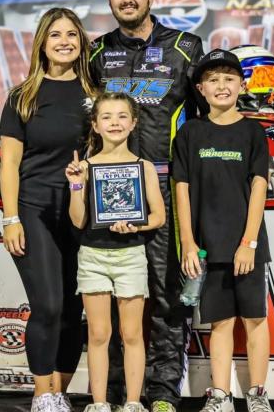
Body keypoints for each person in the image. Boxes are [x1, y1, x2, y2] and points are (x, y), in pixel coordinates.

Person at [90, 0, 208, 412]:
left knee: (165, 294)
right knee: (117, 296)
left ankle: (160, 394)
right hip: (111, 191)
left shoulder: (185, 48)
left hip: (166, 190)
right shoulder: (96, 53)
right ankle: (119, 394)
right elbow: (85, 124)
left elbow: (204, 124)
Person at [0, 7, 95, 412]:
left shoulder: (95, 94)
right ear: (42, 42)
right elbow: (9, 165)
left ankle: (59, 391)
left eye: (71, 34)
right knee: (49, 305)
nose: (64, 41)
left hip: (81, 212)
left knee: (75, 309)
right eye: (55, 35)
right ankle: (42, 395)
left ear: (81, 41)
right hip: (33, 210)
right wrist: (10, 218)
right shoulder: (23, 96)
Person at [172, 49, 273, 412]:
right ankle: (220, 395)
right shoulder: (189, 133)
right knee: (220, 323)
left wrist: (248, 242)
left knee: (255, 320)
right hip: (207, 248)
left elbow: (259, 186)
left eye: (229, 78)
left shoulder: (252, 131)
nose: (221, 85)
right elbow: (180, 188)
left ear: (242, 85)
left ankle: (258, 395)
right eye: (213, 79)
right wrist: (187, 242)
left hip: (246, 246)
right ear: (200, 88)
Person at [65, 92, 166, 412]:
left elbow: (158, 216)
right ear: (95, 125)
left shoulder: (143, 167)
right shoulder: (85, 167)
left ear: (134, 123)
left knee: (132, 332)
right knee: (98, 333)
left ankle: (134, 402)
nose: (115, 123)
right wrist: (76, 186)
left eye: (122, 116)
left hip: (131, 255)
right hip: (93, 256)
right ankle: (99, 403)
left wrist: (136, 226)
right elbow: (79, 219)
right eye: (107, 117)